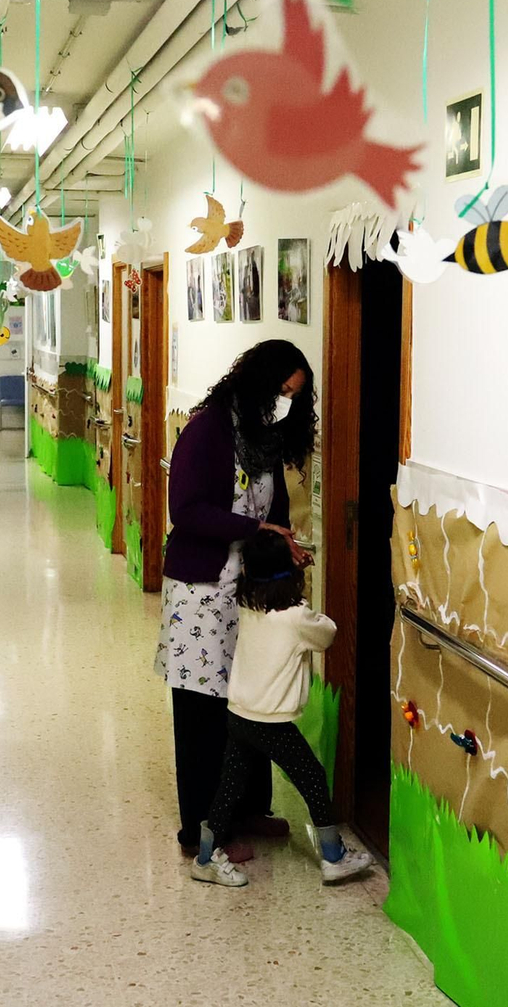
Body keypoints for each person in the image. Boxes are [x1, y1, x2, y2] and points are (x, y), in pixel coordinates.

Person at [155, 339, 316, 862]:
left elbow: (275, 510)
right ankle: (200, 829)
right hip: (200, 595)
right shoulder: (207, 430)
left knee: (249, 703)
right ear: (258, 383)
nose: (285, 403)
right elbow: (186, 510)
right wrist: (254, 528)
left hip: (245, 593)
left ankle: (246, 810)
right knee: (202, 713)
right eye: (281, 391)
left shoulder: (263, 439)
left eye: (294, 396)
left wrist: (284, 545)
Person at [190, 529, 373, 887]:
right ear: (287, 572)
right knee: (313, 778)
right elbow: (328, 634)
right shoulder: (295, 616)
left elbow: (266, 585)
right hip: (270, 722)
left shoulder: (247, 603)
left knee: (230, 786)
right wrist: (302, 585)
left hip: (240, 712)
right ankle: (334, 857)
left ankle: (206, 858)